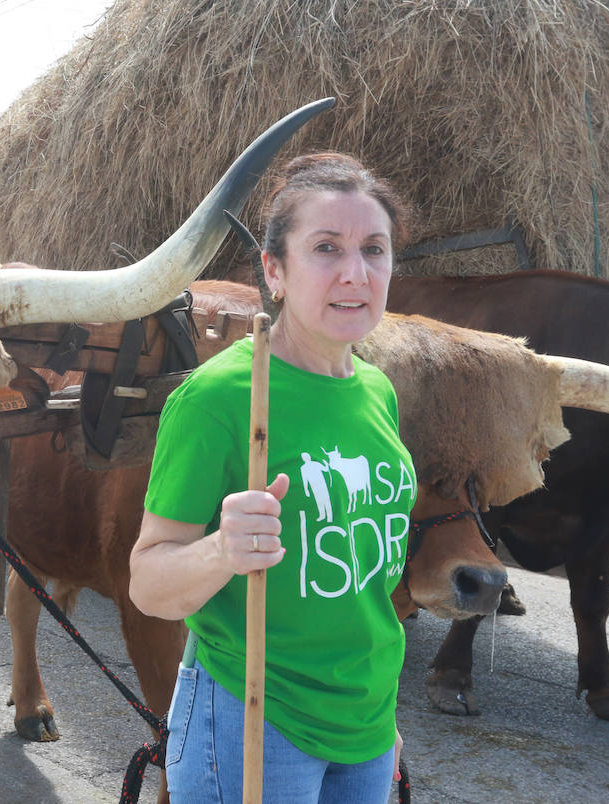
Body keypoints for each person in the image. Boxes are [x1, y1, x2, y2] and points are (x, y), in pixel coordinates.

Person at [128, 153, 415, 803]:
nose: (355, 272)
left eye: (374, 249)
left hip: (366, 731)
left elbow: (366, 583)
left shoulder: (377, 391)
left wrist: (386, 721)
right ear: (274, 271)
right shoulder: (220, 398)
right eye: (326, 248)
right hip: (253, 719)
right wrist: (221, 551)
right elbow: (149, 583)